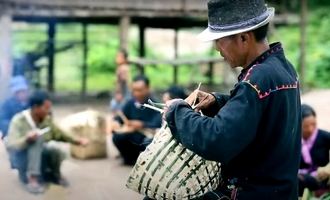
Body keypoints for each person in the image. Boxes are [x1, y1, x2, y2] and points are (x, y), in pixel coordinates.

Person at [164, 0, 301, 199]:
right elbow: (260, 113)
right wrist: (217, 101)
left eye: (219, 40)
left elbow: (217, 139)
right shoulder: (282, 68)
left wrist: (177, 111)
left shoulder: (256, 80)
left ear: (243, 38)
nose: (217, 49)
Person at [6, 91, 88, 194]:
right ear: (35, 108)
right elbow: (11, 145)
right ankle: (33, 179)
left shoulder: (46, 120)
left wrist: (77, 141)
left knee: (55, 149)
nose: (49, 111)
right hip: (22, 159)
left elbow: (60, 134)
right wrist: (26, 139)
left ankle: (55, 174)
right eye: (46, 108)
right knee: (37, 139)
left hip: (38, 158)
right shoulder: (19, 120)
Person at [112, 75, 162, 165]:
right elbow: (121, 117)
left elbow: (157, 123)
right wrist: (116, 122)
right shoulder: (130, 103)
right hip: (132, 135)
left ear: (148, 88)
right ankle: (130, 159)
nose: (136, 93)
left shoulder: (155, 104)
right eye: (134, 90)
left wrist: (142, 124)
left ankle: (147, 162)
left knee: (149, 142)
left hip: (147, 136)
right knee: (117, 137)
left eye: (139, 90)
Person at [298, 104, 330, 195]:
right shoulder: (293, 139)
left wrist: (328, 168)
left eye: (313, 124)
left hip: (322, 177)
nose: (310, 129)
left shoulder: (324, 136)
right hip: (301, 179)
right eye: (306, 126)